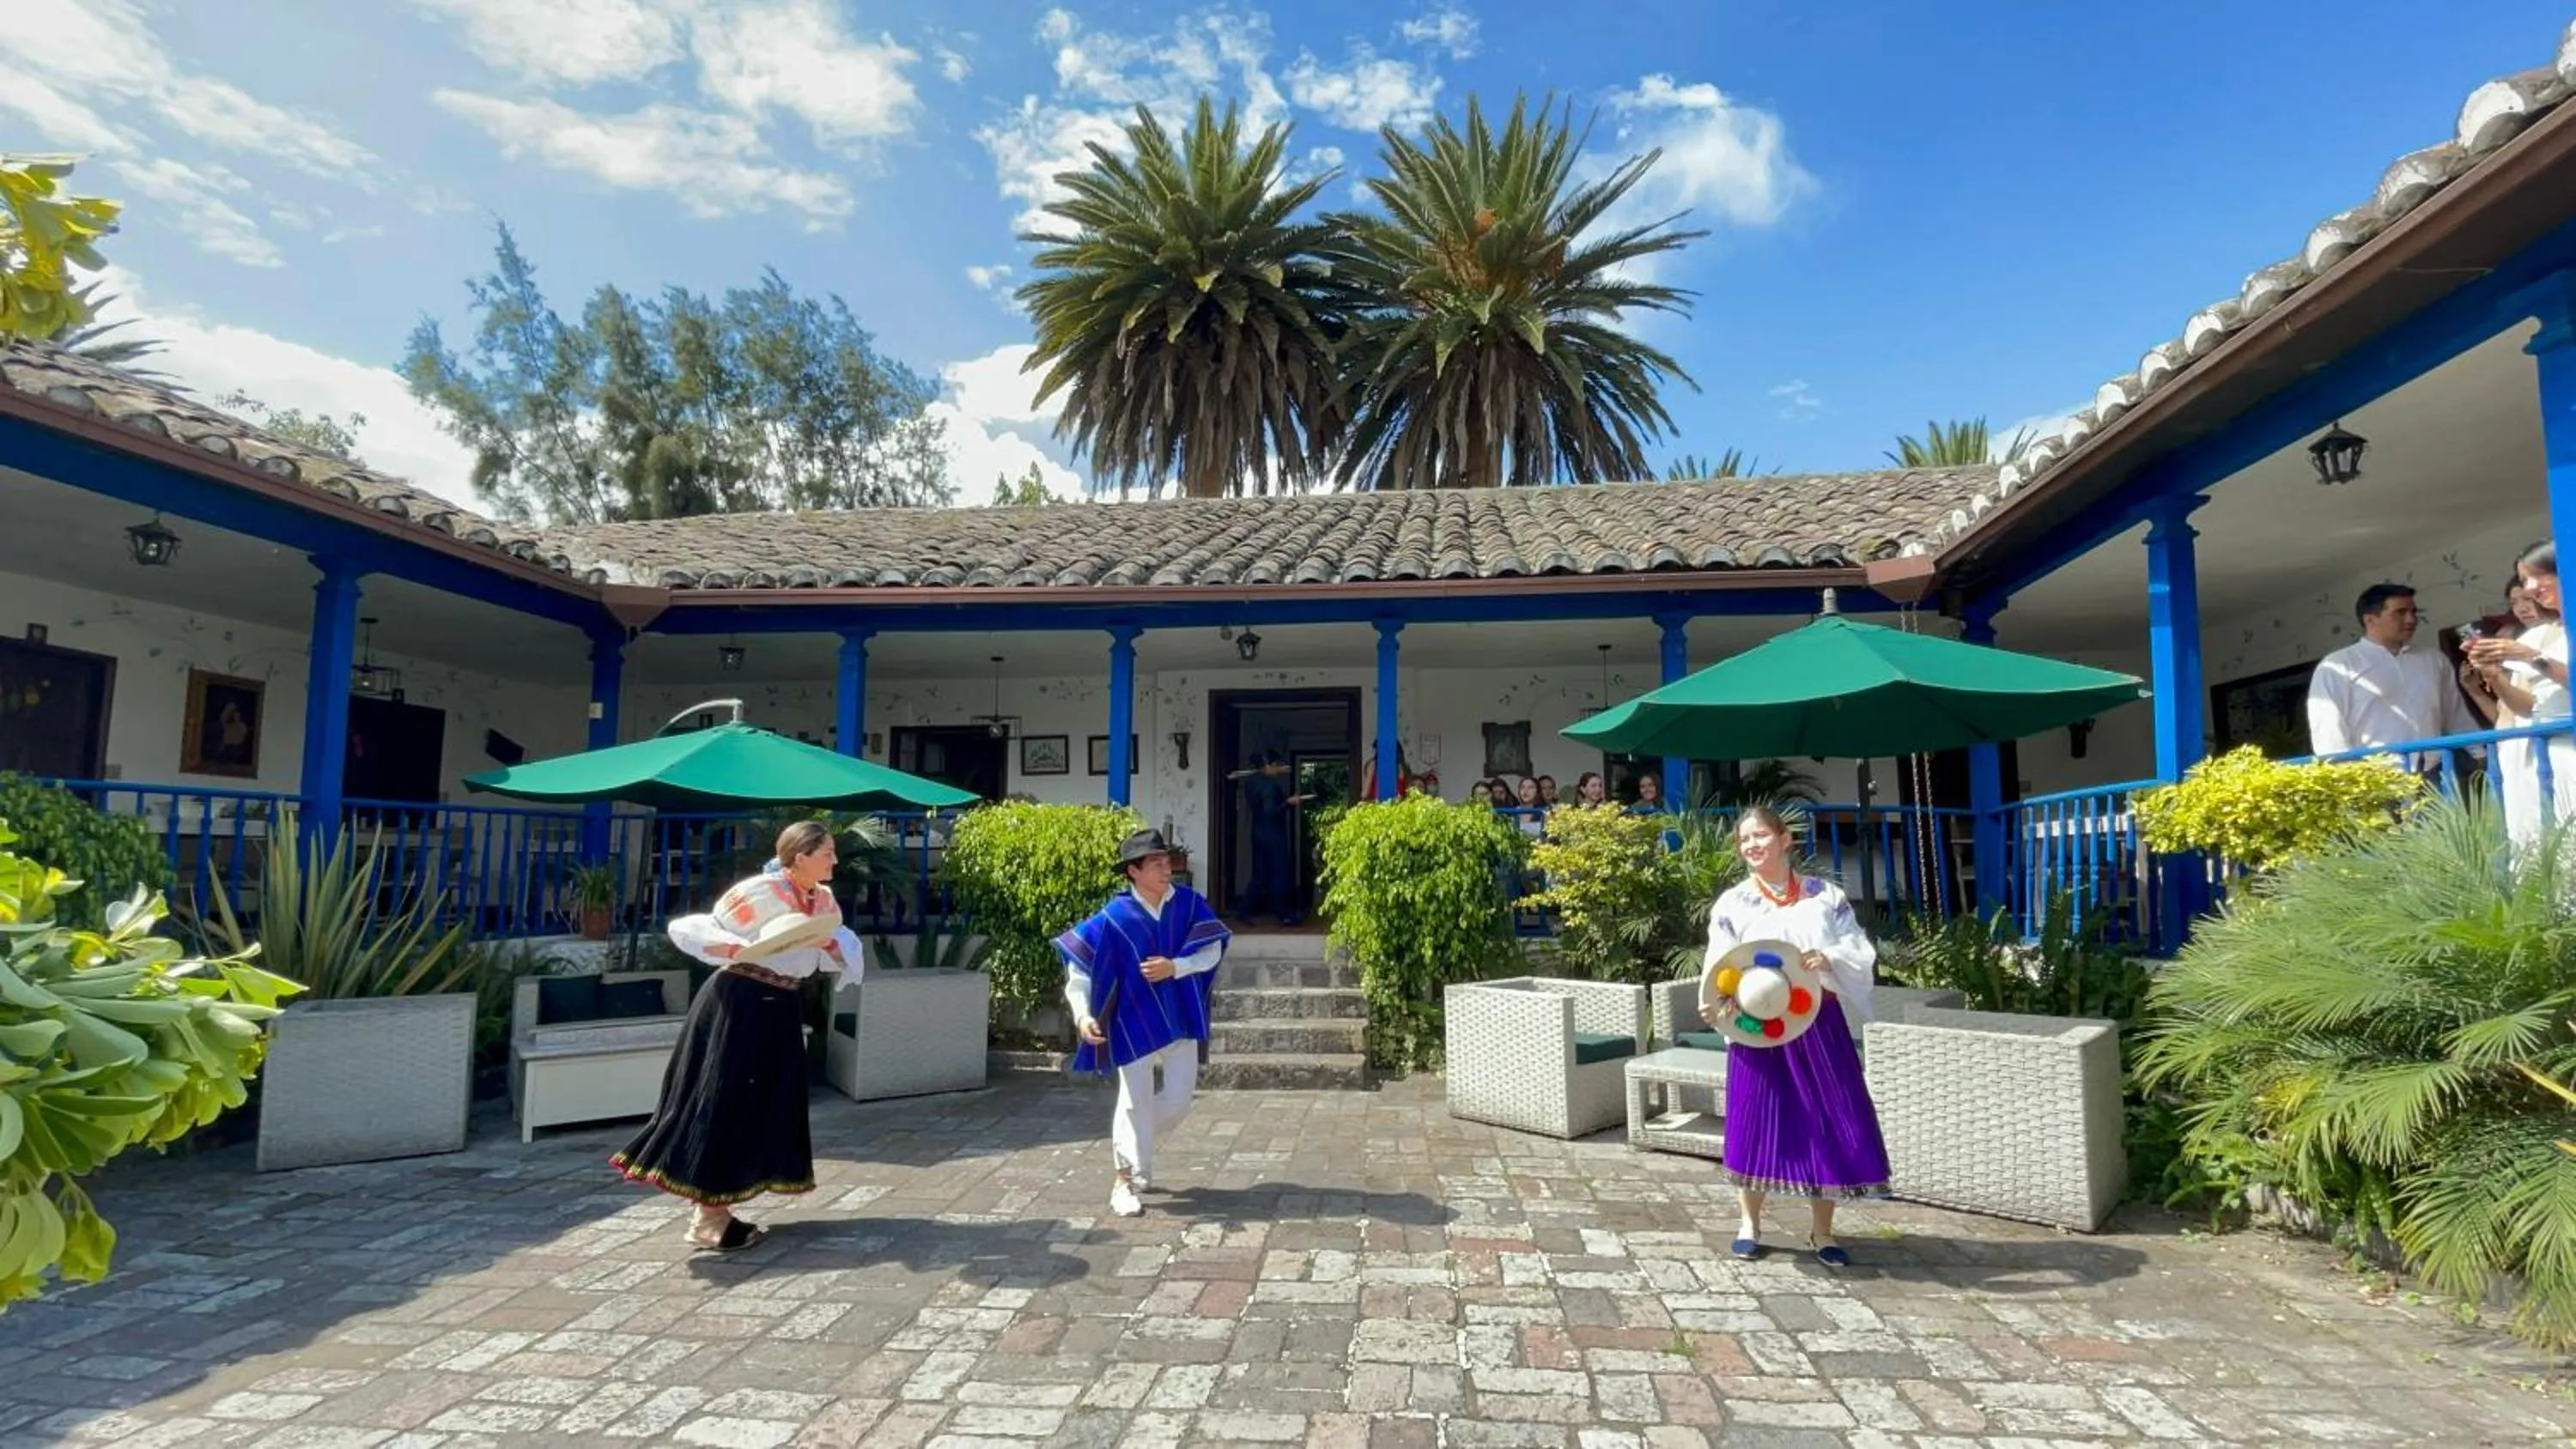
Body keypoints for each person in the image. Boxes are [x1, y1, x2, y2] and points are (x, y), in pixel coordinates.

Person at [612, 820, 860, 1252]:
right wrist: (734, 948)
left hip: (778, 1006)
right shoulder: (761, 892)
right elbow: (695, 929)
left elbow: (840, 947)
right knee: (725, 1099)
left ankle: (717, 1209)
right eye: (827, 853)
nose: (835, 860)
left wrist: (831, 948)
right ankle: (709, 1218)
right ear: (800, 856)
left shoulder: (823, 899)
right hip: (739, 1001)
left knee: (763, 1102)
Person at [1697, 807, 1890, 1267]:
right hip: (1757, 1028)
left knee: (1826, 1120)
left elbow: (1859, 949)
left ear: (1785, 839)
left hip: (1818, 1022)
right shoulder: (1734, 903)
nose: (1752, 846)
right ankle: (1749, 1223)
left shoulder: (1826, 897)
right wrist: (1713, 1002)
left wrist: (1829, 958)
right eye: (1745, 840)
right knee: (1753, 1120)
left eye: (1761, 835)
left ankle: (1822, 1231)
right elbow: (1720, 964)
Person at [1058, 828, 1232, 1216]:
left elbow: (1212, 947)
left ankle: (1138, 1153)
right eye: (1155, 863)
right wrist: (1083, 1013)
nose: (1165, 869)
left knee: (1179, 1100)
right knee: (1133, 1102)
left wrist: (1176, 966)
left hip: (1181, 1016)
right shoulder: (1114, 917)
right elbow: (1080, 966)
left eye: (1166, 861)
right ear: (1133, 872)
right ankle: (1125, 1180)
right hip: (1131, 1021)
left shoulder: (1188, 904)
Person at [2307, 582, 2482, 775]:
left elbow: (2455, 713)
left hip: (2435, 772)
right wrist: (2347, 779)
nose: (2411, 619)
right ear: (2370, 620)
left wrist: (2480, 754)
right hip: (2377, 778)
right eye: (2400, 612)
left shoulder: (2433, 660)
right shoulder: (2339, 666)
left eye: (2413, 612)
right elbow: (2328, 730)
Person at [2470, 541, 2576, 838]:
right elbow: (2527, 707)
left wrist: (2530, 657)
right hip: (2540, 752)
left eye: (2538, 576)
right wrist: (2494, 675)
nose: (2530, 588)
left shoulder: (2533, 644)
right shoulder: (2539, 634)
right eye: (2523, 580)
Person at [2461, 580, 2554, 843]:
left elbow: (2528, 709)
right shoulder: (2517, 641)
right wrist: (2477, 690)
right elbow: (2505, 717)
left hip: (2538, 746)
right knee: (2519, 832)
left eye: (2528, 598)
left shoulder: (2542, 641)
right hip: (2509, 749)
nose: (2522, 608)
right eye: (2515, 602)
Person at [1240, 751, 1308, 926]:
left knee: (1260, 875)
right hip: (1273, 833)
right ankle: (1282, 913)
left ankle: (1244, 910)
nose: (1279, 768)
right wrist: (1289, 802)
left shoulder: (1251, 783)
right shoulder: (1269, 786)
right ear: (1268, 766)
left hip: (1257, 832)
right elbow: (1270, 812)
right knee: (1279, 873)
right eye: (1276, 765)